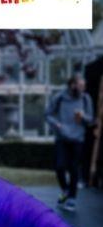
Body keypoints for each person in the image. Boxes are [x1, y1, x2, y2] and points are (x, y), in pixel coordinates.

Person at [46, 73, 93, 212]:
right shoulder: (59, 98)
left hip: (78, 138)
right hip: (62, 137)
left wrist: (83, 116)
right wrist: (57, 124)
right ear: (72, 85)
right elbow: (48, 114)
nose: (83, 88)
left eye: (84, 86)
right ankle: (66, 190)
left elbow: (90, 119)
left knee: (73, 168)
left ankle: (72, 198)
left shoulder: (86, 98)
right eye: (80, 86)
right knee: (59, 166)